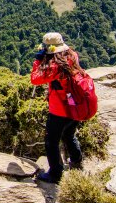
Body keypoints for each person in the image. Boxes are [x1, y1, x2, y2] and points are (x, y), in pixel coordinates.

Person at [31, 32, 84, 183]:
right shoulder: (72, 55)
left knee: (51, 141)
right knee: (69, 134)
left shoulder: (55, 66)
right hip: (75, 105)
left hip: (60, 110)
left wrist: (38, 61)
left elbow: (35, 79)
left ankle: (55, 173)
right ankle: (77, 160)